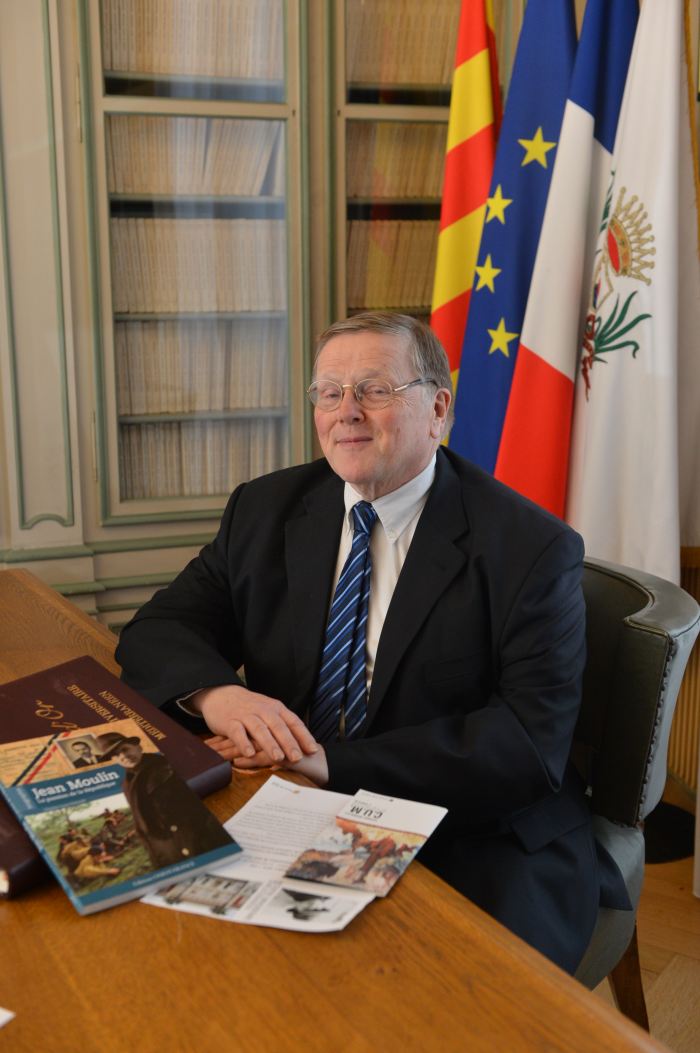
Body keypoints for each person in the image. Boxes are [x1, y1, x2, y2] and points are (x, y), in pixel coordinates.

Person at [116, 311, 629, 973]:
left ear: (437, 409)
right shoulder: (264, 509)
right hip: (290, 799)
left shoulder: (531, 548)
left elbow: (526, 743)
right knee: (181, 945)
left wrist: (330, 763)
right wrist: (222, 697)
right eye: (329, 393)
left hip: (469, 830)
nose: (346, 412)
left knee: (422, 1000)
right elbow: (159, 629)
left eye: (375, 390)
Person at [95, 732, 233, 868]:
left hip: (193, 843)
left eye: (125, 749)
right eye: (116, 755)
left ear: (137, 746)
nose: (123, 756)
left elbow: (190, 813)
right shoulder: (127, 784)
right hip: (165, 852)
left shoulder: (163, 765)